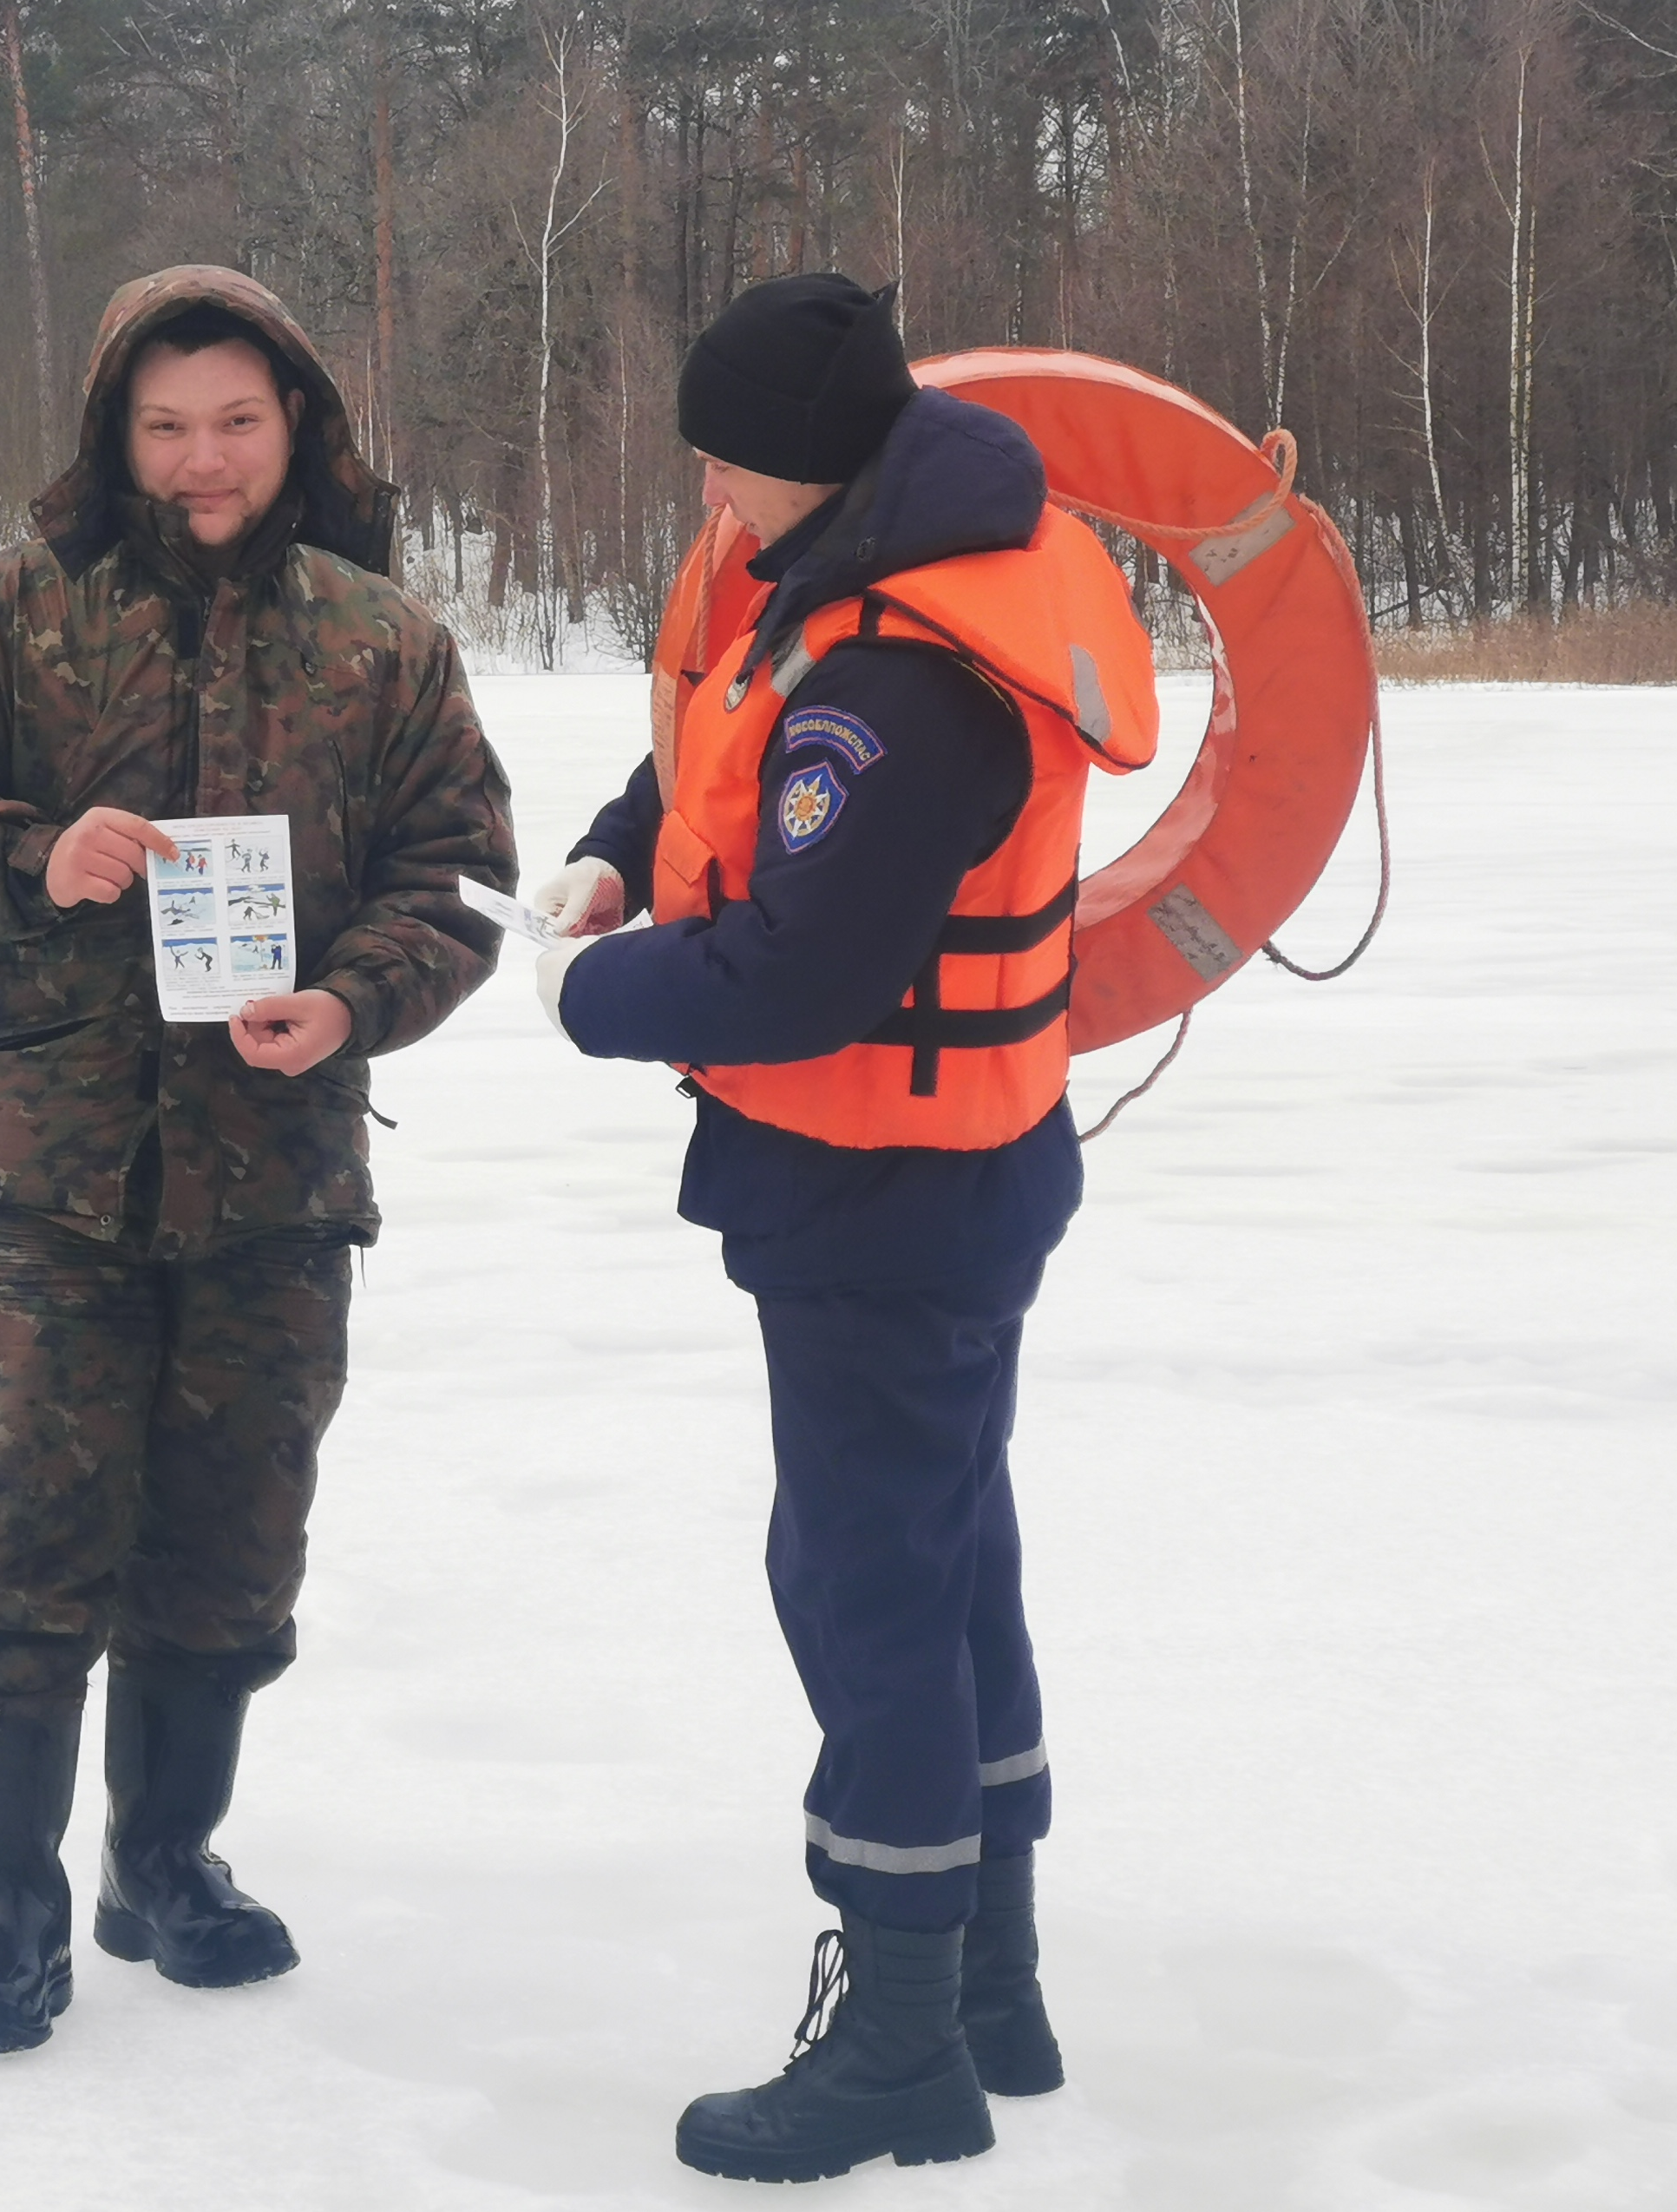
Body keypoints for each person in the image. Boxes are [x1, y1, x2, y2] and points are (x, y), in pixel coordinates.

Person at [0, 266, 517, 2057]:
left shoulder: (383, 641)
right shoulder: (12, 613)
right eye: (163, 426)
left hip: (271, 1182)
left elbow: (450, 880)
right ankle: (4, 1906)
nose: (200, 459)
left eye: (233, 420)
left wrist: (352, 999)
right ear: (110, 434)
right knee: (14, 1534)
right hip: (39, 1176)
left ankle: (163, 1861)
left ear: (294, 423)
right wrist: (28, 850)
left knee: (227, 1542)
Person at [531, 272, 1157, 2182]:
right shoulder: (869, 571)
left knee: (866, 1588)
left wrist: (600, 994)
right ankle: (989, 1986)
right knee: (945, 1559)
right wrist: (613, 850)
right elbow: (717, 750)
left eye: (720, 454)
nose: (706, 487)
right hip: (945, 1172)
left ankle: (896, 2047)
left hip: (886, 1195)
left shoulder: (898, 681)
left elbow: (807, 962)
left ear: (799, 461)